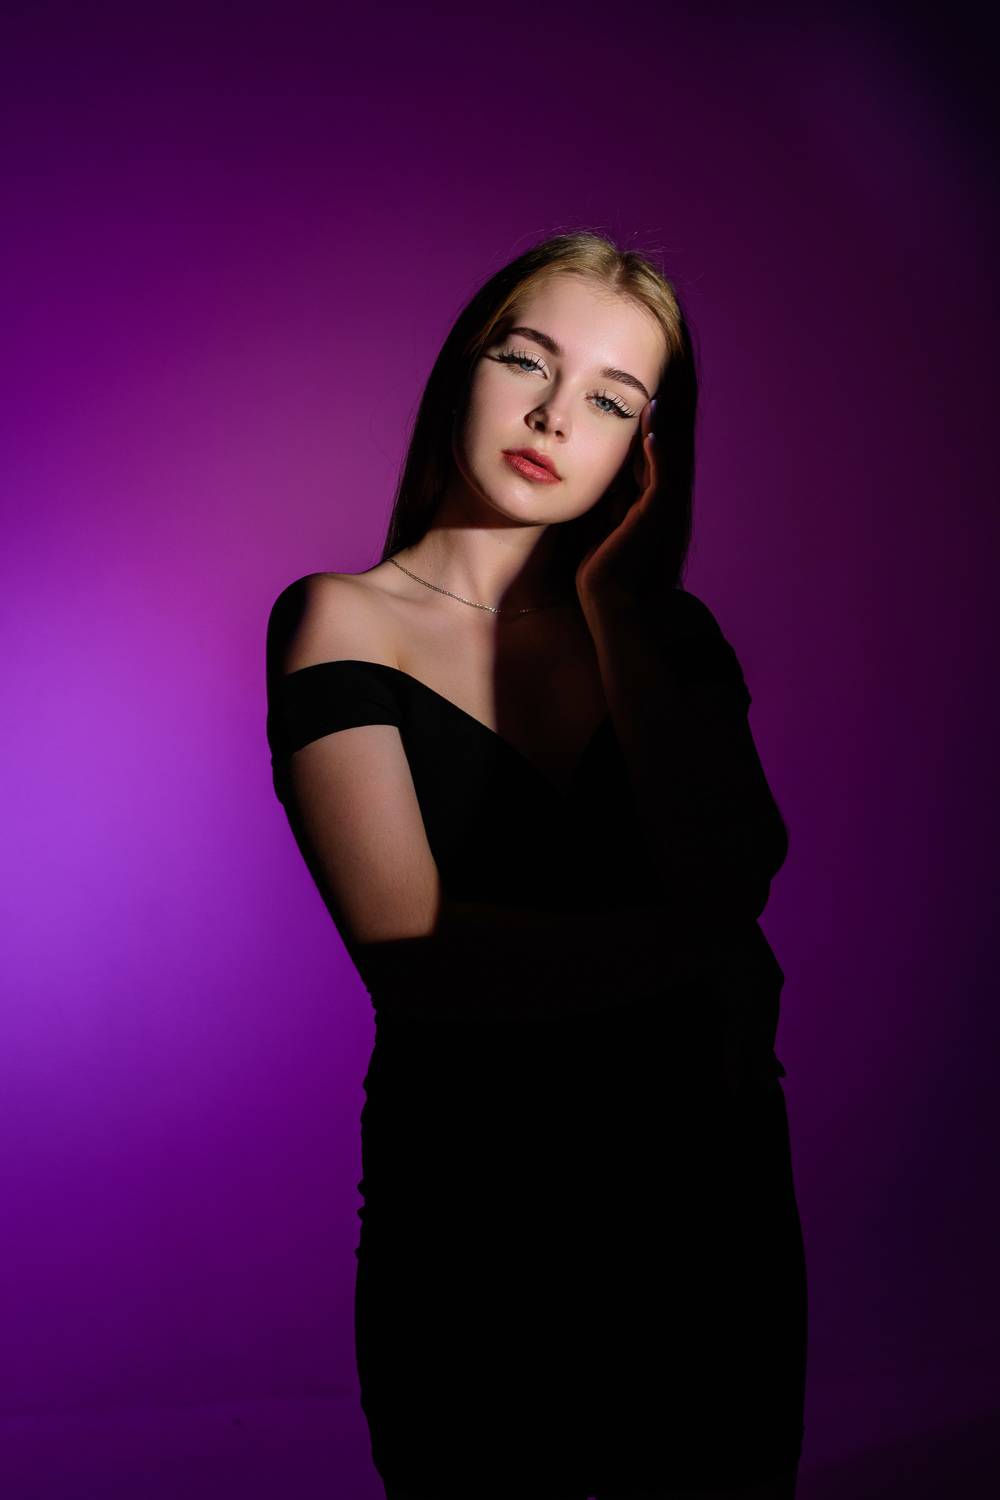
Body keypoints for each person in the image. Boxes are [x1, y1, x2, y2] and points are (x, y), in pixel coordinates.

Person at [265, 232, 808, 1499]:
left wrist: (617, 609)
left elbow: (732, 860)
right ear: (464, 365)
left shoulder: (661, 633)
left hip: (707, 1199)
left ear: (646, 450)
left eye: (612, 401)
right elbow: (420, 964)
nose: (556, 417)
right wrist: (696, 950)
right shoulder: (336, 617)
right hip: (476, 1218)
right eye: (526, 360)